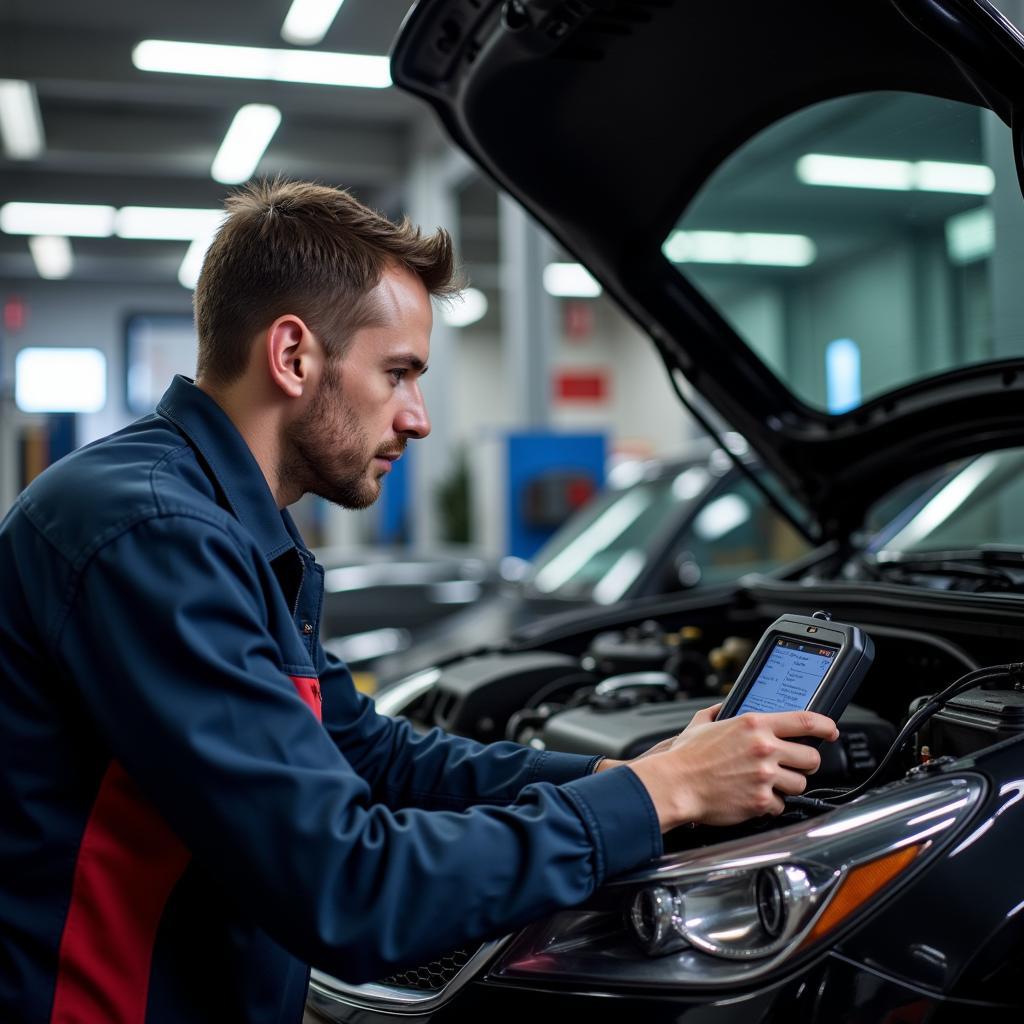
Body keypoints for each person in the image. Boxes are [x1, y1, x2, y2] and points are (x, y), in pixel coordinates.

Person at [0, 180, 837, 1024]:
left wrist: (625, 773)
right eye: (398, 373)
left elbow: (369, 756)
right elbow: (347, 887)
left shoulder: (227, 526)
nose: (420, 417)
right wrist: (656, 800)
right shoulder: (148, 532)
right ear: (293, 356)